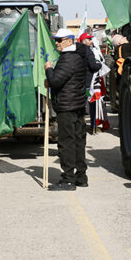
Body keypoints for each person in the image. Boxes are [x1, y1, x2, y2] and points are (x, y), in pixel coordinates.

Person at [45, 28, 88, 191]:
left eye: (59, 40)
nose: (56, 43)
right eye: (56, 40)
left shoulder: (68, 58)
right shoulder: (77, 56)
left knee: (67, 142)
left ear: (70, 41)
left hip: (67, 105)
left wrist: (49, 69)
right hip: (75, 104)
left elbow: (56, 81)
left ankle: (68, 179)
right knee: (78, 140)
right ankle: (81, 176)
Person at [79, 32, 103, 134]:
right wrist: (100, 65)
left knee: (80, 105)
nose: (91, 41)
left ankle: (80, 126)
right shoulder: (88, 51)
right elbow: (93, 66)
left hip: (79, 81)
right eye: (89, 39)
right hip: (89, 82)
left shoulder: (77, 51)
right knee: (92, 103)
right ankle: (93, 126)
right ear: (84, 41)